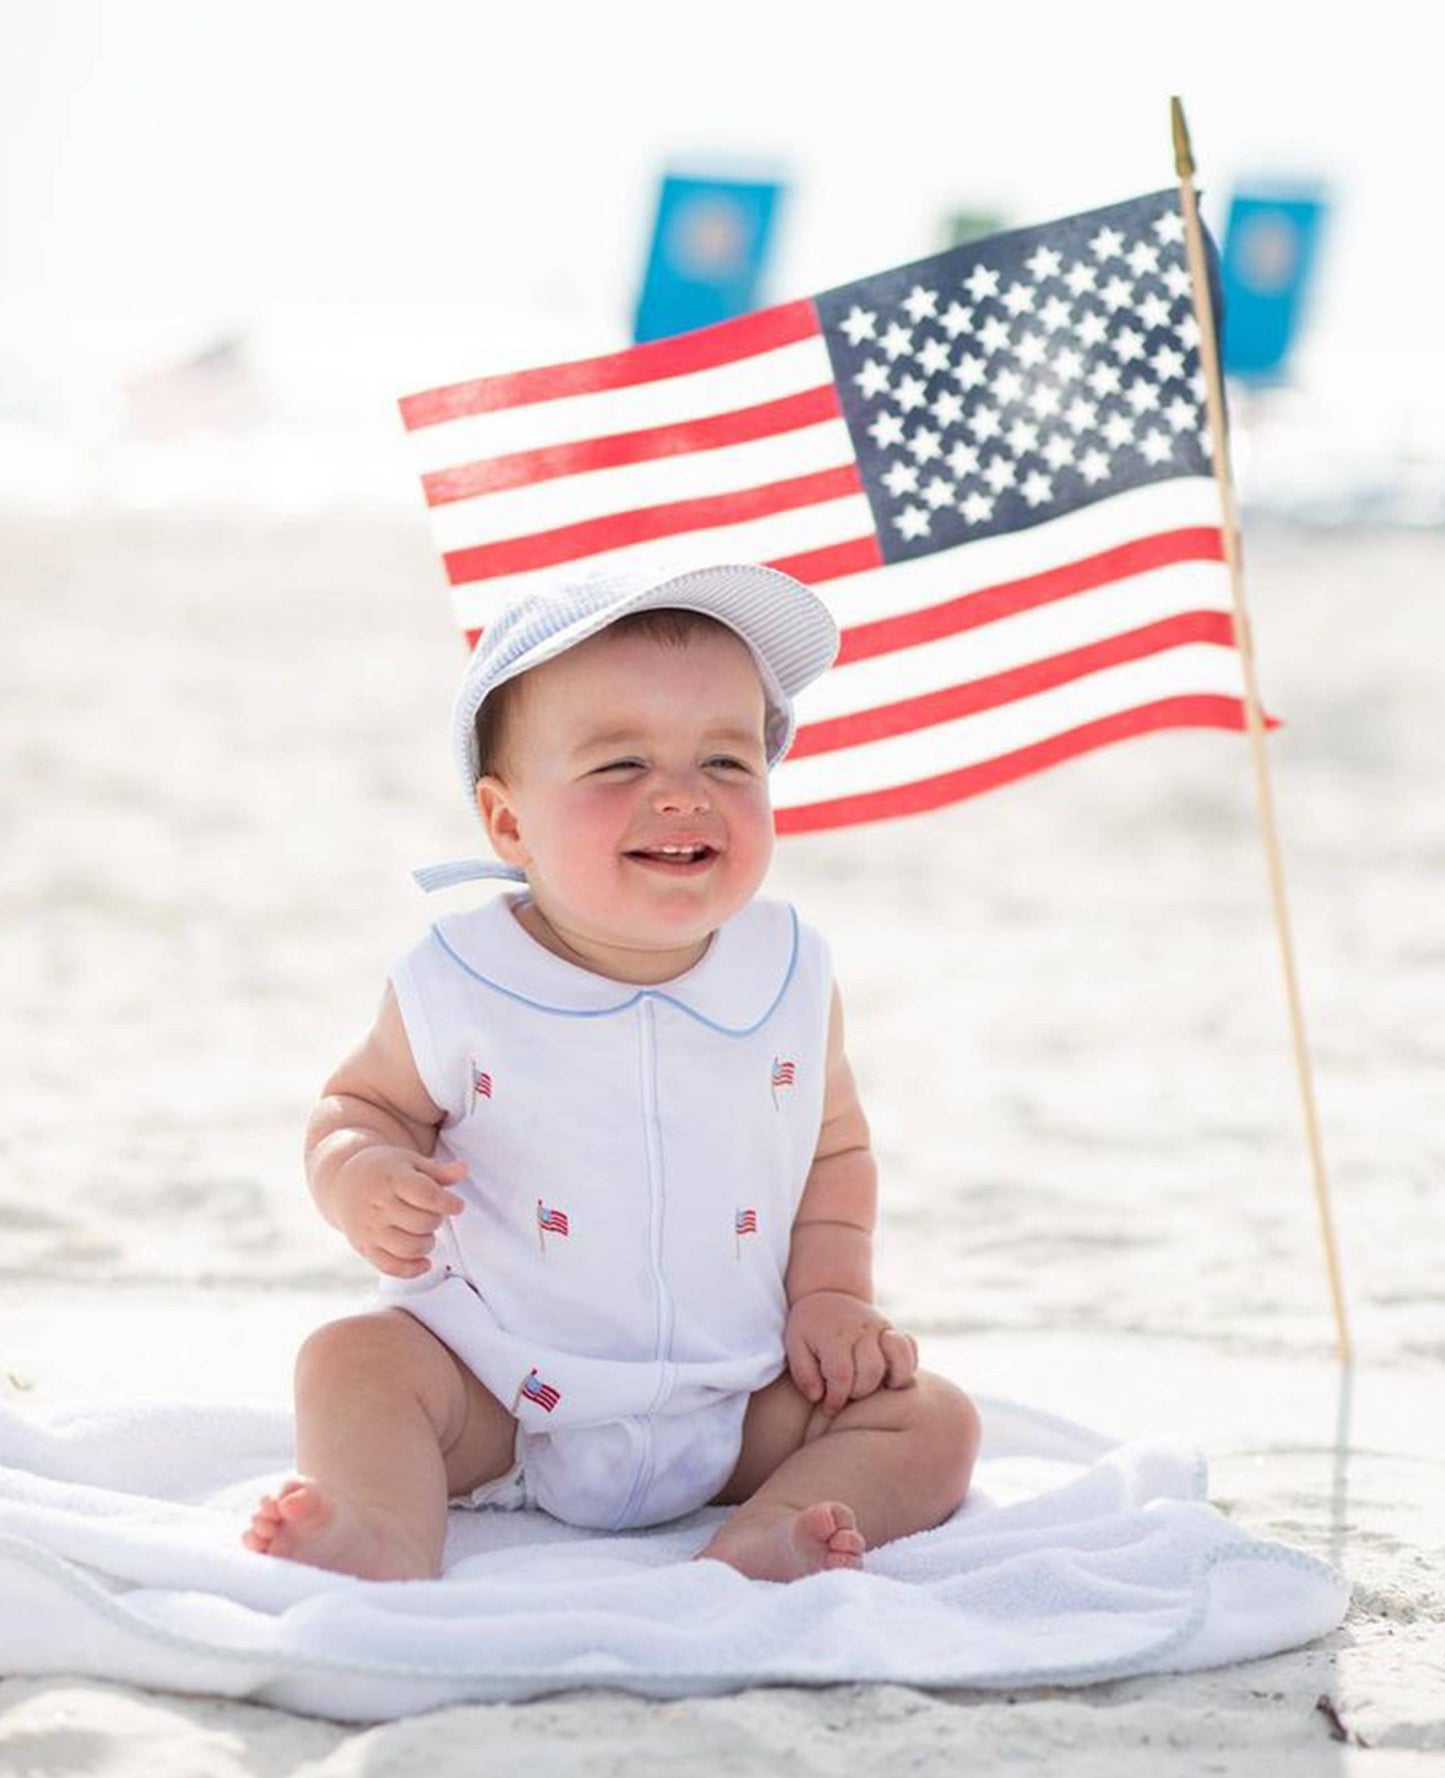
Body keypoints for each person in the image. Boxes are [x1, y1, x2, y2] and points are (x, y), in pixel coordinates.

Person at [244, 560, 980, 1583]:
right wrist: (361, 1173)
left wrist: (830, 1297)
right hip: (498, 1389)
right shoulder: (459, 977)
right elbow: (355, 1105)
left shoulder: (788, 970)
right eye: (618, 763)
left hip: (737, 1392)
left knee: (930, 1418)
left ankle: (768, 1528)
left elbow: (832, 1147)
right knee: (350, 1360)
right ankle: (380, 1529)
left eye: (726, 761)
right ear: (508, 824)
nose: (679, 794)